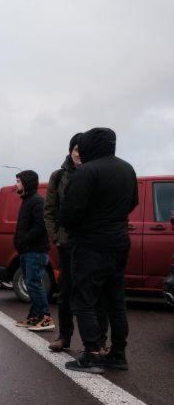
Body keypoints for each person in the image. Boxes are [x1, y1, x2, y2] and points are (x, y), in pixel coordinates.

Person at [60, 127, 138, 374]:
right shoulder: (127, 168)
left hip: (91, 244)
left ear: (91, 145)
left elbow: (70, 213)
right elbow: (133, 202)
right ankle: (117, 353)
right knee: (115, 300)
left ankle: (91, 353)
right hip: (119, 242)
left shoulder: (86, 172)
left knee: (84, 299)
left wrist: (77, 227)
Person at [44, 134, 110, 352]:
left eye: (82, 150)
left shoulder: (95, 173)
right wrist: (55, 236)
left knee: (95, 293)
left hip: (91, 244)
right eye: (76, 150)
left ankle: (98, 341)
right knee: (65, 293)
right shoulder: (58, 176)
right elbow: (49, 210)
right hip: (68, 245)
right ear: (70, 150)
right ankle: (64, 337)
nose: (79, 154)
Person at [13, 170, 55, 332]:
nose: (16, 184)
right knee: (30, 284)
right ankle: (34, 317)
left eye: (18, 181)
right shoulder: (27, 201)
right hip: (27, 251)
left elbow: (40, 226)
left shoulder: (37, 201)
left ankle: (45, 317)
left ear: (26, 183)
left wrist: (23, 241)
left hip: (35, 252)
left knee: (34, 283)